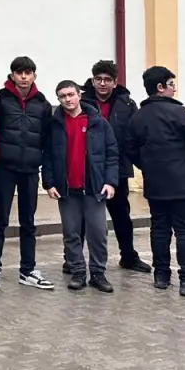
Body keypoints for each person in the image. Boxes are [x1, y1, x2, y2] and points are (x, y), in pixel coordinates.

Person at [129, 66, 185, 297]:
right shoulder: (178, 112)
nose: (174, 89)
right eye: (171, 84)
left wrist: (148, 166)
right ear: (160, 87)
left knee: (160, 228)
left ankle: (161, 275)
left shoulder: (138, 116)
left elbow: (130, 149)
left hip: (156, 183)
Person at [0, 56, 54, 291]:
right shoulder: (0, 100)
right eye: (19, 73)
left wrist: (45, 170)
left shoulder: (42, 104)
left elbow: (46, 140)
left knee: (28, 221)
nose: (24, 77)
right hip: (5, 169)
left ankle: (27, 270)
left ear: (34, 75)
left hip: (30, 170)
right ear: (12, 75)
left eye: (28, 72)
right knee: (0, 219)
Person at [43, 81, 117, 294]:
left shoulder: (98, 122)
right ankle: (78, 272)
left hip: (94, 188)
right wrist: (49, 183)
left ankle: (98, 273)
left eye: (71, 94)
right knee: (71, 233)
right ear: (58, 99)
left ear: (79, 95)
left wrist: (110, 181)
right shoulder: (54, 125)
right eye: (62, 96)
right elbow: (47, 156)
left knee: (98, 233)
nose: (67, 99)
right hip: (67, 190)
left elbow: (112, 153)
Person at [80, 60, 148, 273]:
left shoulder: (126, 104)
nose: (102, 83)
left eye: (107, 80)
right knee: (82, 217)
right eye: (98, 79)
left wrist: (136, 161)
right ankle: (72, 259)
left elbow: (135, 135)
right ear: (93, 80)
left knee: (121, 215)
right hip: (86, 168)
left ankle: (128, 256)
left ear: (115, 82)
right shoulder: (81, 102)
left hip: (116, 168)